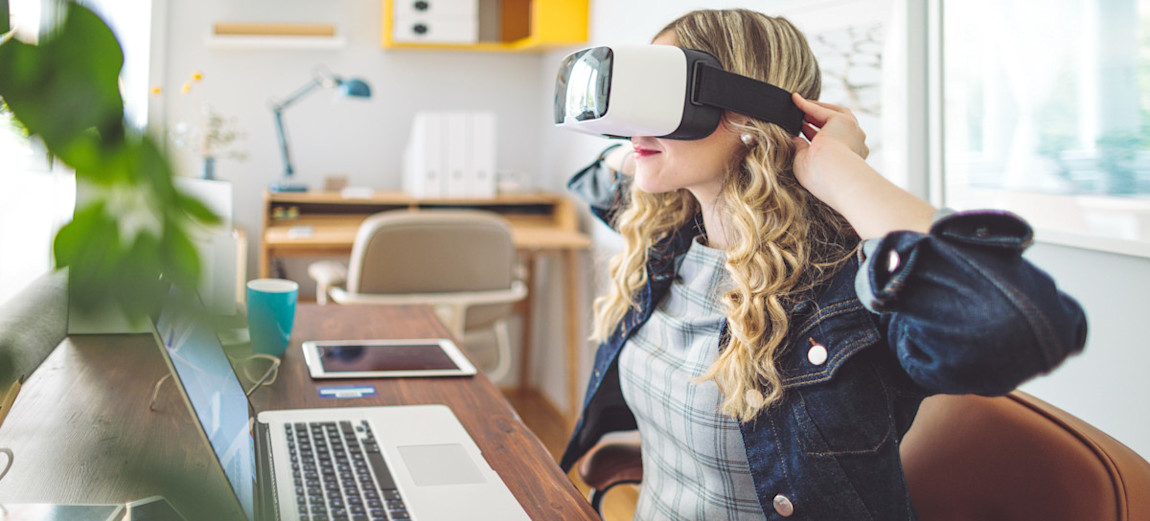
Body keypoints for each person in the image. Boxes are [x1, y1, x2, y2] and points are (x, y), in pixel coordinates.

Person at [557, 8, 1087, 521]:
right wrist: (639, 138)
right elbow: (593, 177)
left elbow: (1012, 325)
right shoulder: (666, 238)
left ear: (747, 106)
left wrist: (838, 170)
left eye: (659, 97)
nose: (633, 127)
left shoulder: (845, 285)